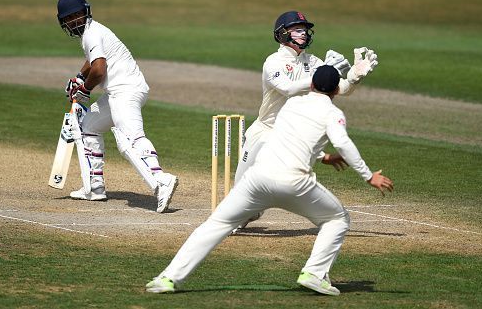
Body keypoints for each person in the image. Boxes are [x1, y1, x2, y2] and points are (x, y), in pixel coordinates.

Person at [146, 65, 393, 295]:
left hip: (257, 179)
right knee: (337, 219)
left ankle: (168, 278)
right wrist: (368, 176)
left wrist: (323, 156)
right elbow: (343, 143)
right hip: (294, 183)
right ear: (337, 90)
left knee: (216, 224)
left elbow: (290, 137)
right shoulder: (333, 112)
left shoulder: (292, 104)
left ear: (311, 86)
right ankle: (315, 273)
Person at [234, 10, 379, 230]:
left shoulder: (313, 61)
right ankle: (245, 212)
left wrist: (353, 78)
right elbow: (288, 88)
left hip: (291, 134)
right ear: (282, 34)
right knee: (239, 191)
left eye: (305, 30)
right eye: (297, 30)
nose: (303, 34)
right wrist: (322, 72)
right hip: (265, 131)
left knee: (289, 181)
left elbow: (338, 89)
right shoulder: (273, 62)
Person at [56, 0, 178, 213]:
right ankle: (94, 188)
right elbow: (93, 62)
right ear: (63, 21)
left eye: (76, 15)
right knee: (88, 127)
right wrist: (80, 77)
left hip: (125, 91)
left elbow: (99, 70)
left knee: (130, 139)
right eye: (69, 17)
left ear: (85, 12)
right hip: (118, 93)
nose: (73, 20)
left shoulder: (92, 33)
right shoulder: (92, 33)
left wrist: (84, 90)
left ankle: (162, 180)